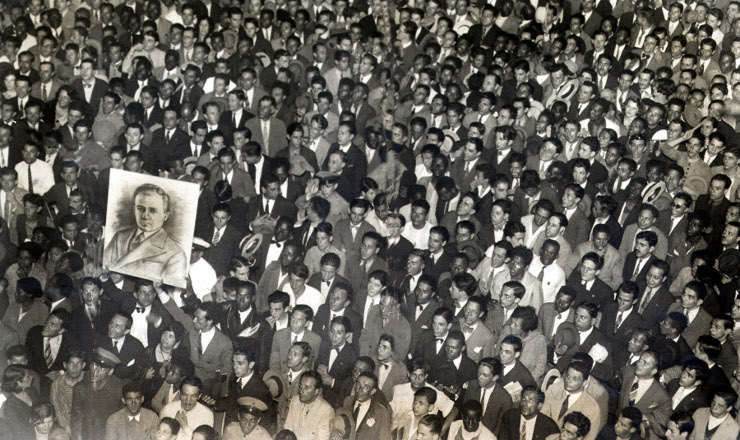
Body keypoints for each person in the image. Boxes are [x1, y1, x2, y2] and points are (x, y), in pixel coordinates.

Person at [103, 183, 187, 286]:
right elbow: (103, 269)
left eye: (152, 210)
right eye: (140, 208)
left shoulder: (175, 254)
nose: (145, 216)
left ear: (165, 216)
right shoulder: (119, 237)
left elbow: (167, 289)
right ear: (134, 209)